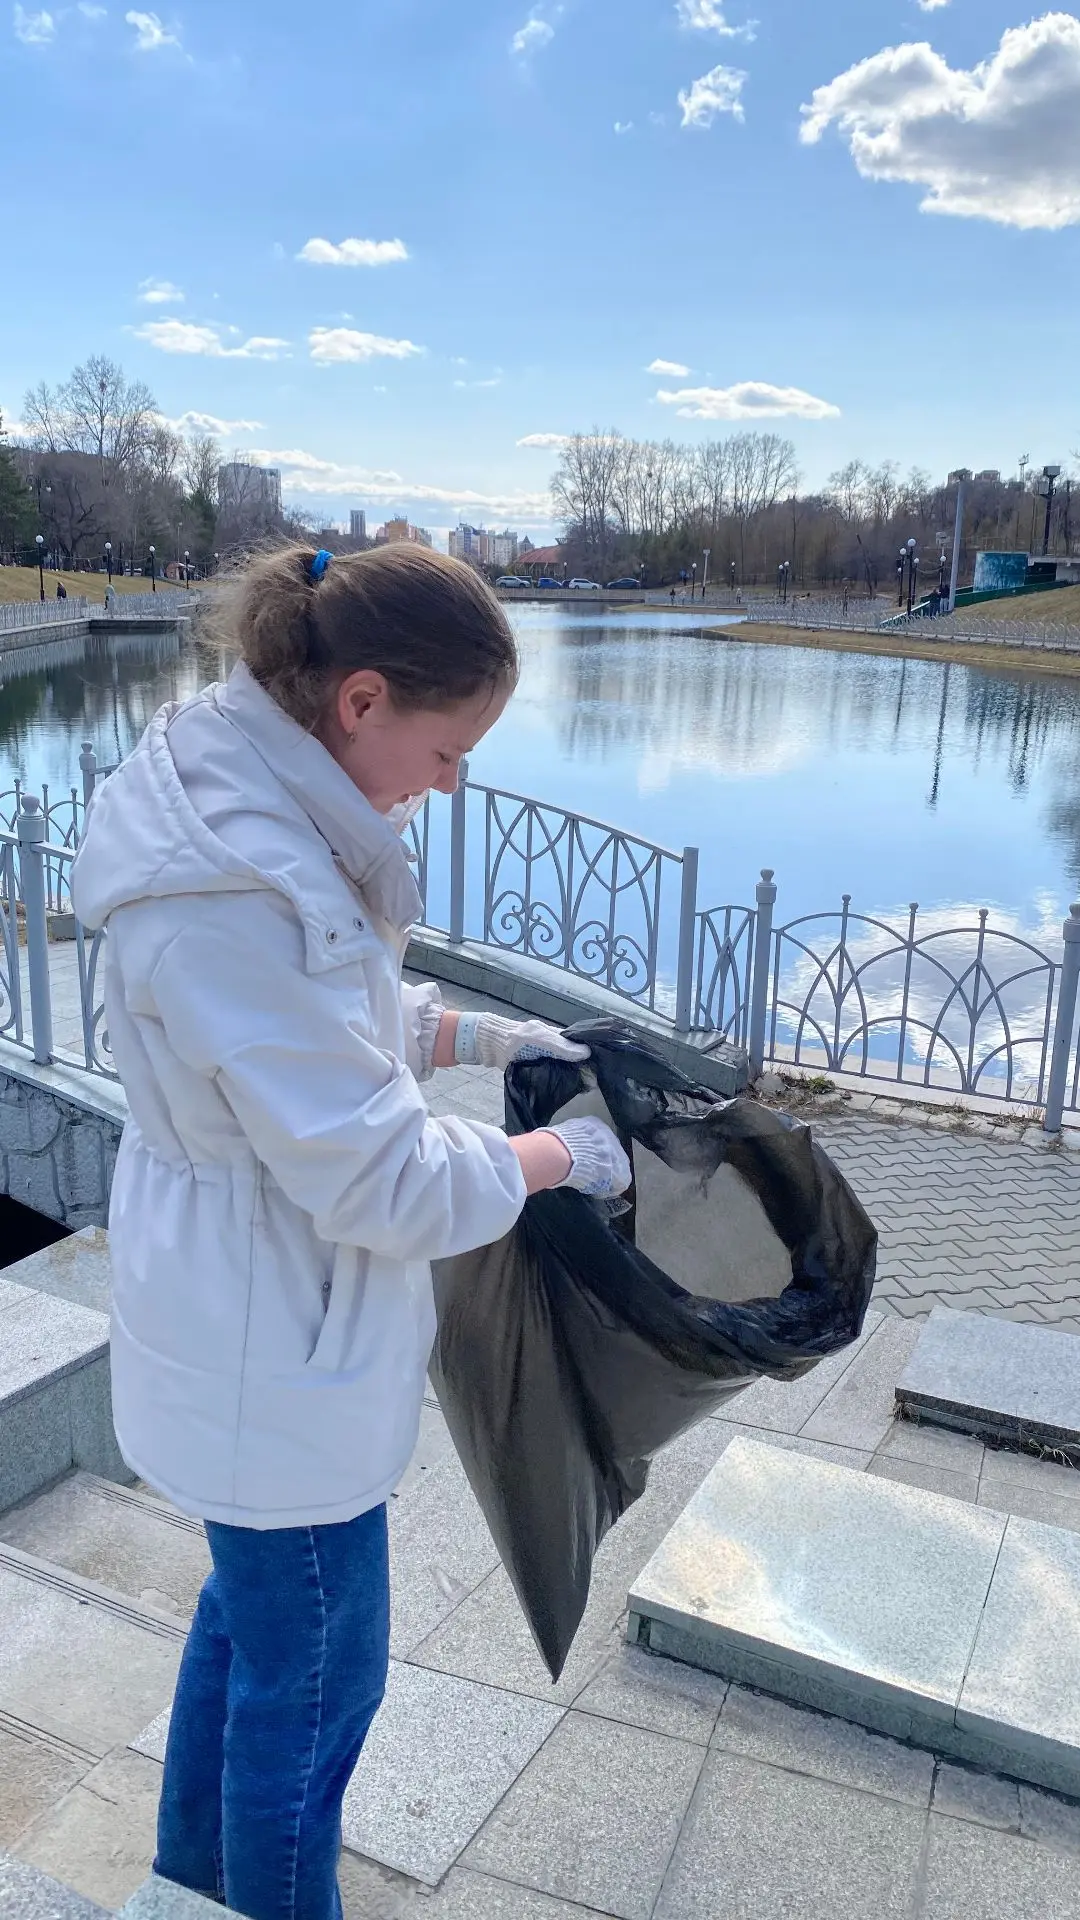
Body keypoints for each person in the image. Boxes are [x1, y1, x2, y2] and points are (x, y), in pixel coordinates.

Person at [70, 543, 631, 1920]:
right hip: (270, 1331)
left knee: (252, 1627)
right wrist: (558, 1158)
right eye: (447, 752)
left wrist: (473, 1034)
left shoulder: (239, 792)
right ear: (362, 699)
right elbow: (379, 1177)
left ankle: (190, 1885)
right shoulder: (234, 881)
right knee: (319, 1681)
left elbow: (312, 1029)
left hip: (243, 1296)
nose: (451, 785)